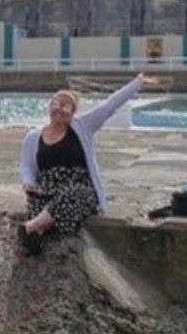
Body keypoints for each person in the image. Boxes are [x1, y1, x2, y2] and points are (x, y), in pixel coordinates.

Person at [17, 72, 159, 255]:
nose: (60, 109)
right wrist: (27, 182)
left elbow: (110, 105)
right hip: (47, 189)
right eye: (55, 104)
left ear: (73, 113)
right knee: (38, 202)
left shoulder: (83, 126)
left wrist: (138, 82)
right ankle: (38, 232)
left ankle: (32, 227)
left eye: (66, 106)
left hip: (78, 187)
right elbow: (27, 166)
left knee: (72, 196)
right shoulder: (33, 137)